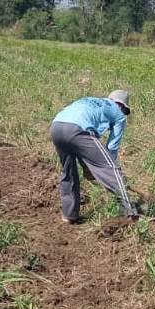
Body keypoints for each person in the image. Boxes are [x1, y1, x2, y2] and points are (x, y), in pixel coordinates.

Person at [49, 90, 138, 224]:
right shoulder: (119, 115)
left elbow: (81, 147)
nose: (124, 113)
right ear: (122, 106)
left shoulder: (92, 101)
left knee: (68, 172)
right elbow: (112, 148)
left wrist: (88, 167)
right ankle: (130, 214)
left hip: (56, 126)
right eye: (125, 110)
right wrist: (107, 169)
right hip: (79, 130)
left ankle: (69, 215)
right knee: (111, 168)